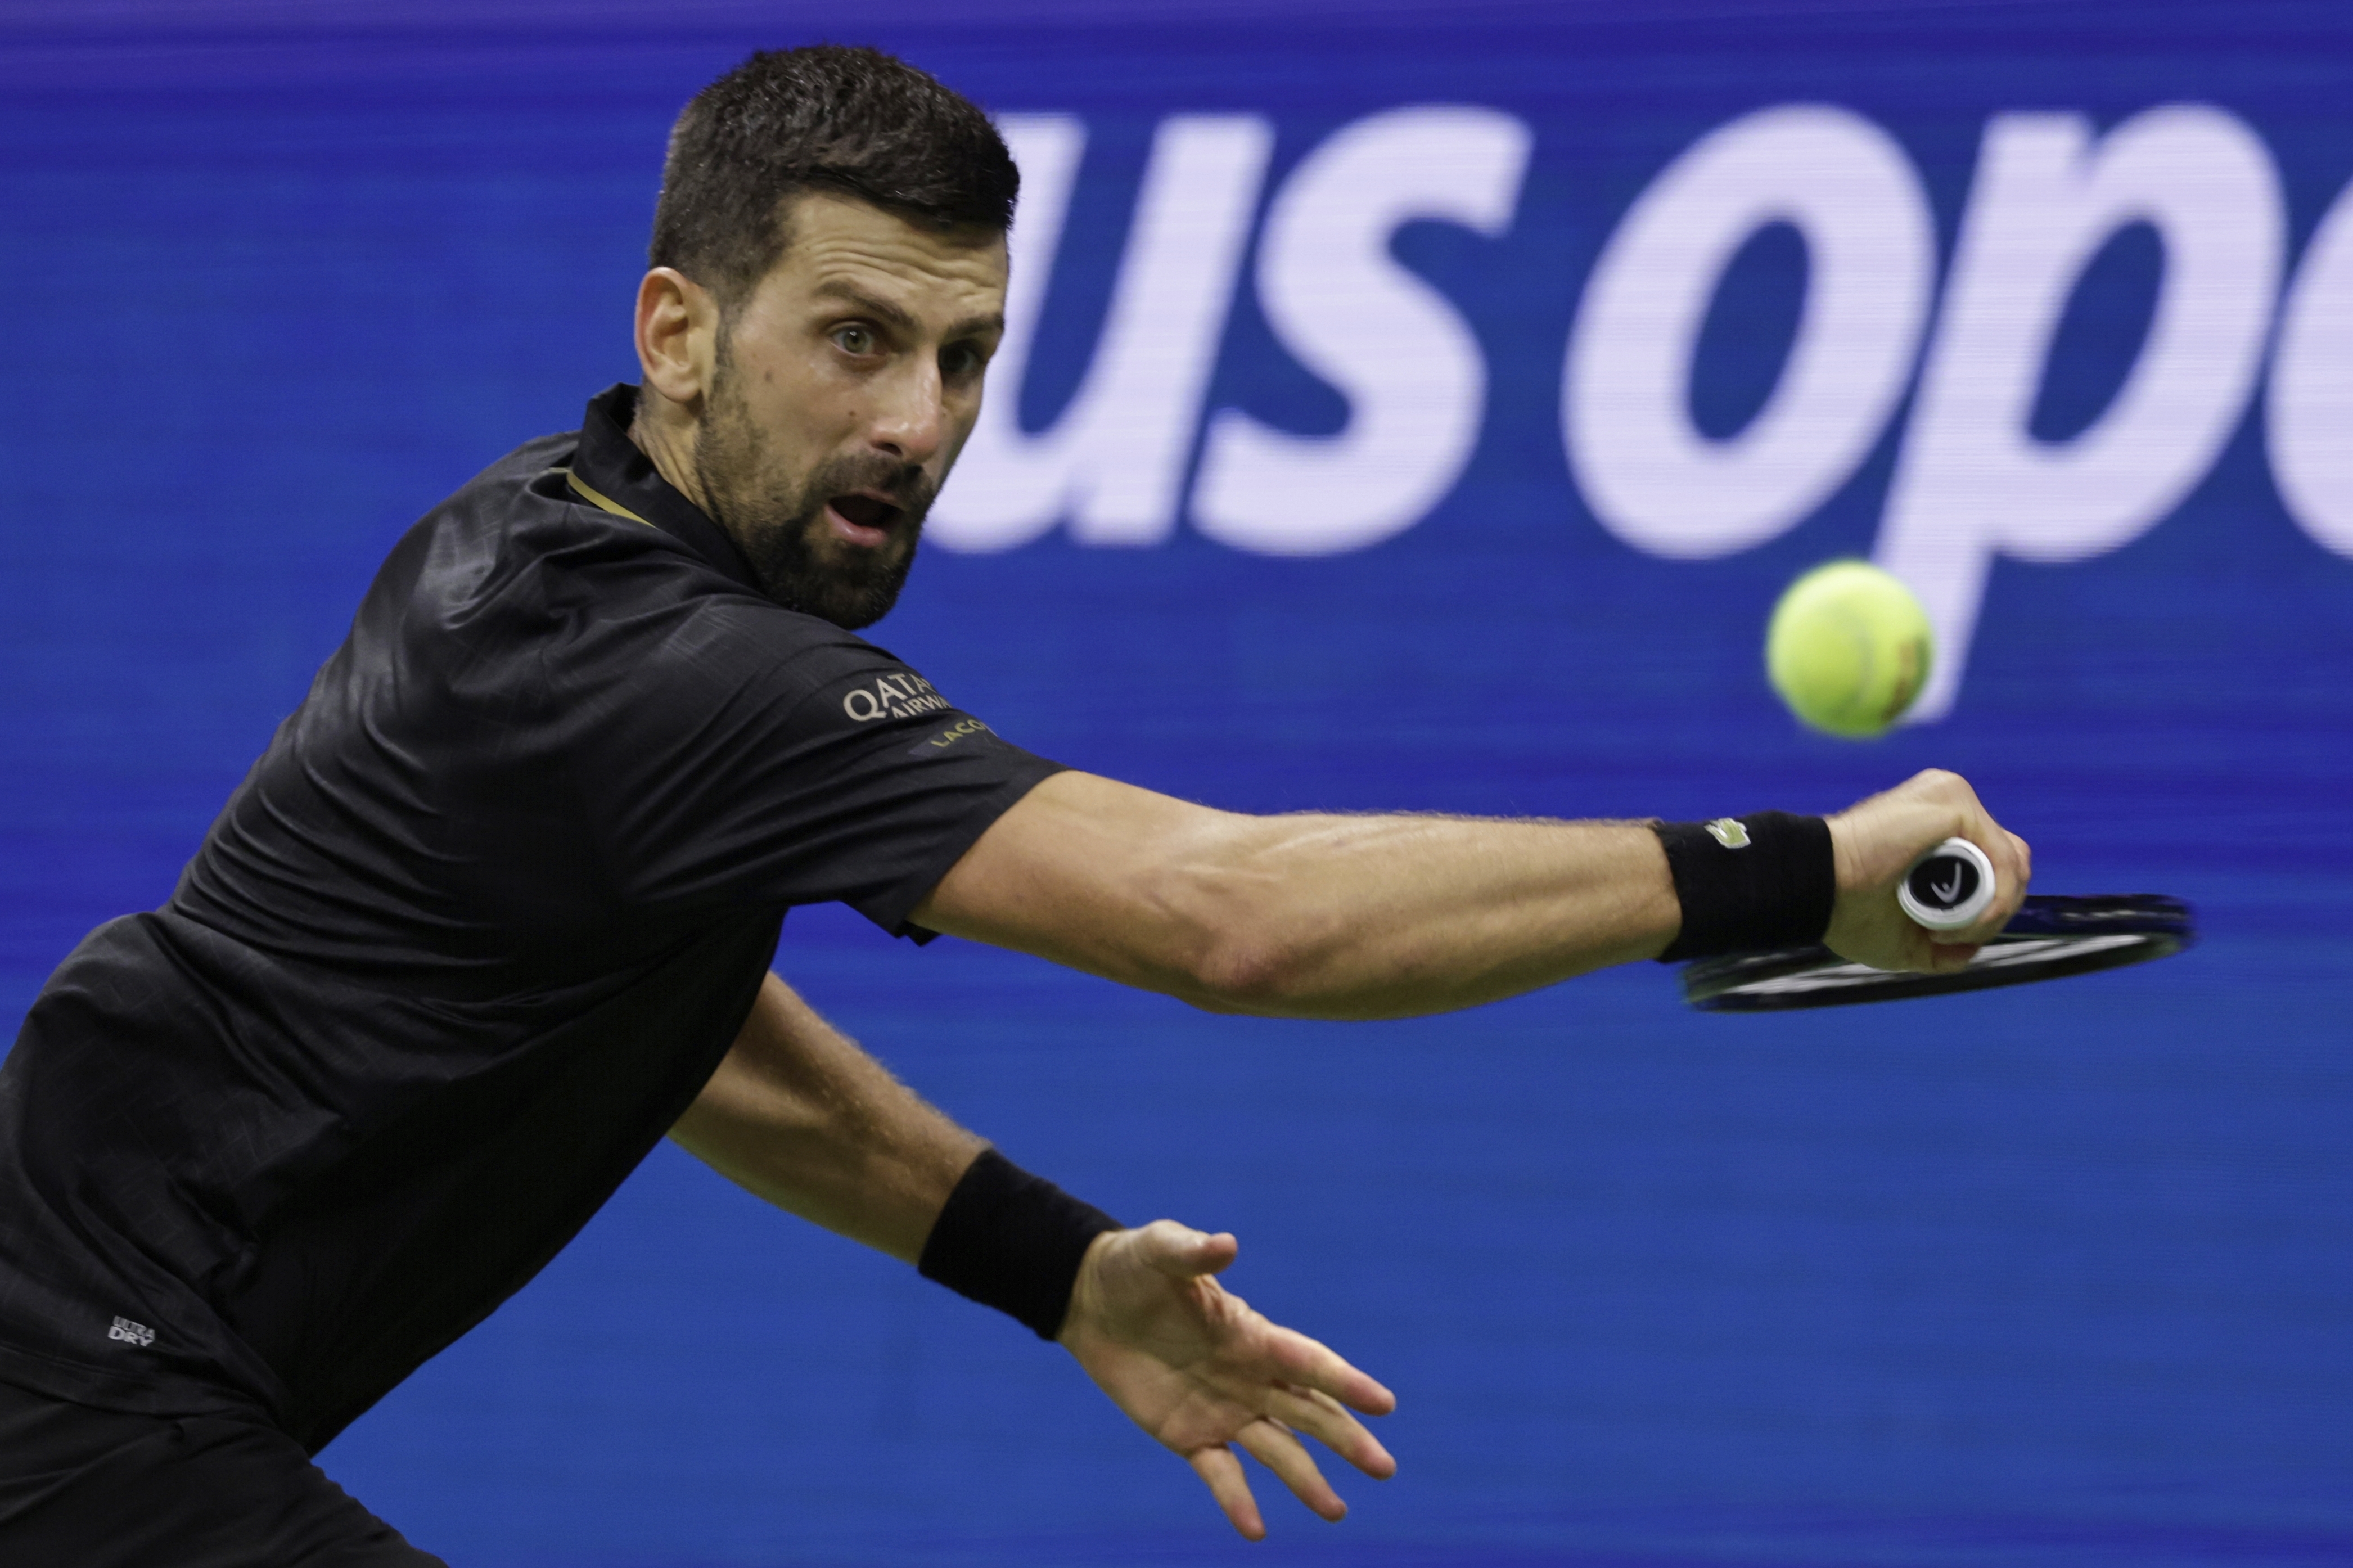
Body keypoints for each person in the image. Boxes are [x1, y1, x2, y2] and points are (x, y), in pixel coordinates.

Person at [0, 43, 2030, 1566]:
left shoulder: (555, 533)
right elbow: (1235, 918)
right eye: (857, 341)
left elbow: (682, 1027)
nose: (917, 423)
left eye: (965, 357)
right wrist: (1794, 873)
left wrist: (1050, 1264)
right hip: (74, 1401)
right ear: (678, 332)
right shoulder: (672, 667)